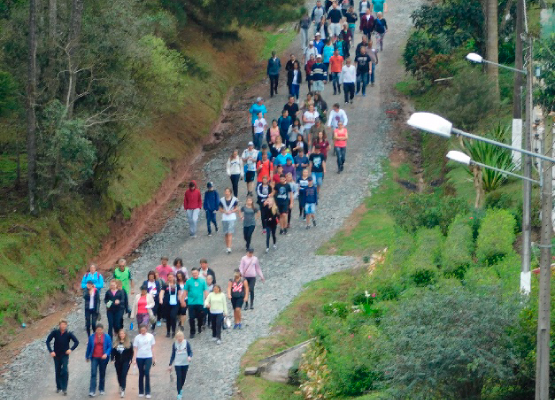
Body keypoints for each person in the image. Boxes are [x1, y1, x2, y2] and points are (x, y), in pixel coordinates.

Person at [46, 318, 79, 396]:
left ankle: (64, 388)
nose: (63, 326)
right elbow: (48, 341)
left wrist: (71, 349)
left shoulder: (68, 334)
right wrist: (51, 351)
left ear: (66, 325)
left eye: (64, 325)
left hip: (65, 355)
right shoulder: (55, 332)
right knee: (57, 370)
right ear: (59, 325)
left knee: (64, 370)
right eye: (62, 324)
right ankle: (58, 387)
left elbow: (76, 342)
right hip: (56, 355)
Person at [86, 323, 111, 397]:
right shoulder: (92, 337)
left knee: (102, 373)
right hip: (94, 357)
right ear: (96, 330)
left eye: (100, 330)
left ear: (103, 330)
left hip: (103, 358)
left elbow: (110, 346)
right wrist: (87, 356)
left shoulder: (107, 337)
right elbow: (89, 347)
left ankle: (101, 389)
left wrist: (106, 353)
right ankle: (92, 390)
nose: (99, 331)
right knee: (93, 373)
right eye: (98, 330)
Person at [183, 267, 208, 338]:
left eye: (196, 273)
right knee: (191, 318)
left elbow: (206, 291)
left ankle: (199, 326)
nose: (194, 274)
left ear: (198, 273)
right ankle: (192, 331)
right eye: (193, 273)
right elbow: (185, 291)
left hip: (200, 302)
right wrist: (182, 300)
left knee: (200, 317)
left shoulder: (203, 281)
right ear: (191, 274)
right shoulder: (188, 281)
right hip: (191, 303)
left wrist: (207, 300)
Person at [132, 324, 156, 399]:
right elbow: (135, 349)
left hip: (148, 356)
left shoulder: (150, 336)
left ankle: (148, 391)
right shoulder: (137, 338)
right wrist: (134, 359)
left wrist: (154, 358)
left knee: (147, 372)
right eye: (141, 330)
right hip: (139, 357)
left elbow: (152, 348)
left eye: (144, 330)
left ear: (146, 329)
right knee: (141, 373)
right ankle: (141, 391)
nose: (143, 332)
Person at [168, 331, 193, 399]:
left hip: (185, 363)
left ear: (183, 337)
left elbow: (190, 352)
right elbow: (173, 354)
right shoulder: (174, 344)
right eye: (178, 338)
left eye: (180, 338)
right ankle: (179, 393)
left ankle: (181, 388)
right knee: (179, 377)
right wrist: (170, 364)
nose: (179, 339)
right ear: (176, 338)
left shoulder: (186, 343)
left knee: (183, 377)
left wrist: (189, 356)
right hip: (177, 363)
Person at [111, 329, 133, 398]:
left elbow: (131, 352)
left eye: (123, 333)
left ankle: (123, 389)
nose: (121, 335)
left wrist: (131, 359)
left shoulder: (129, 343)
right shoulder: (116, 343)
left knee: (124, 374)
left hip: (126, 361)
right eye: (120, 334)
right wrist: (112, 359)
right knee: (119, 374)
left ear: (125, 334)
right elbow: (113, 352)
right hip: (117, 361)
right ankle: (120, 385)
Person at [159, 273, 181, 338]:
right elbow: (162, 292)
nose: (170, 278)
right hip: (167, 303)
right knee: (168, 318)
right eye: (169, 277)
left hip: (175, 303)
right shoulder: (165, 285)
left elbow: (179, 293)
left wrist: (180, 300)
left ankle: (173, 331)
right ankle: (168, 331)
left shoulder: (177, 285)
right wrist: (161, 299)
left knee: (173, 316)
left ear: (173, 277)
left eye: (171, 277)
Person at [219, 187, 239, 254]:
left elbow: (237, 208)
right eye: (226, 191)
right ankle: (227, 246)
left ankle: (229, 247)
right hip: (224, 218)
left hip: (232, 217)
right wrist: (224, 211)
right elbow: (220, 209)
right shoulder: (221, 200)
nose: (227, 193)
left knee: (230, 233)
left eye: (228, 192)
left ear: (230, 192)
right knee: (226, 233)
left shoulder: (234, 200)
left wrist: (232, 211)